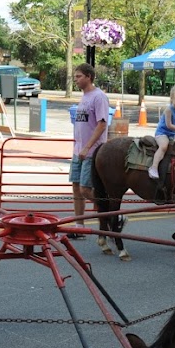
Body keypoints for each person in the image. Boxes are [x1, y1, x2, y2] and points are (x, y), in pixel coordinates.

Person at [69, 63, 111, 237]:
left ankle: (111, 213)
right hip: (78, 149)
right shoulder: (84, 97)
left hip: (92, 150)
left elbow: (102, 124)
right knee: (76, 187)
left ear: (88, 76)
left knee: (86, 189)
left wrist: (87, 146)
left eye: (79, 76)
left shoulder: (99, 97)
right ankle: (79, 226)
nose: (76, 80)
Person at [148, 85, 175, 194]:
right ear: (172, 98)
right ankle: (154, 167)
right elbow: (169, 125)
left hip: (173, 135)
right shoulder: (168, 110)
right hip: (162, 133)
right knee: (164, 146)